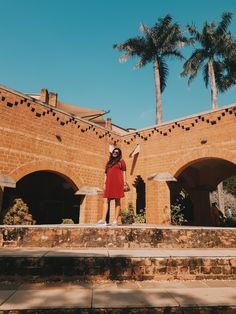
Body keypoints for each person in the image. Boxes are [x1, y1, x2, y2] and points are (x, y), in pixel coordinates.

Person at [97, 148, 127, 226]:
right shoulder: (109, 162)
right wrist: (104, 183)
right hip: (109, 183)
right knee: (106, 200)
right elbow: (106, 173)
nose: (115, 153)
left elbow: (124, 172)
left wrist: (124, 183)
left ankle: (115, 220)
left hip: (118, 183)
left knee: (117, 200)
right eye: (114, 152)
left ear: (119, 154)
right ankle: (103, 220)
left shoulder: (121, 162)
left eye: (117, 152)